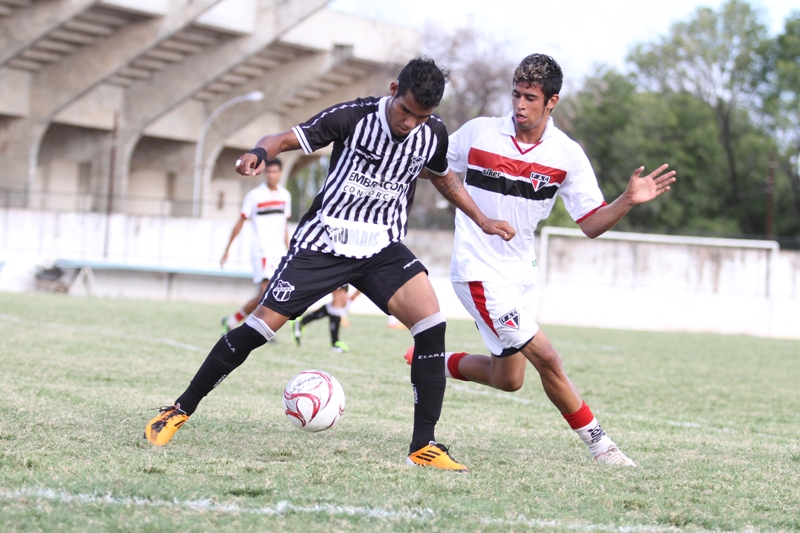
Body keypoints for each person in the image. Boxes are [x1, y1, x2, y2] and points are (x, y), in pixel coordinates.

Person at [144, 57, 516, 472]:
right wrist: (256, 152)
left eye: (421, 116)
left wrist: (482, 219)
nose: (410, 123)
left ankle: (423, 445)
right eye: (406, 111)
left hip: (381, 247)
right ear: (393, 89)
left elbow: (444, 177)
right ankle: (177, 410)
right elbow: (282, 139)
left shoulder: (433, 134)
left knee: (432, 326)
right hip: (324, 242)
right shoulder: (352, 117)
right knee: (257, 330)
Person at [406, 53, 677, 466]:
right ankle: (602, 448)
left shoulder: (565, 154)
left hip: (520, 275)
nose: (519, 106)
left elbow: (590, 223)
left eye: (530, 98)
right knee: (548, 358)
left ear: (552, 101)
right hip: (478, 271)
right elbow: (433, 167)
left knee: (509, 378)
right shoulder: (479, 133)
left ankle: (431, 363)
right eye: (515, 95)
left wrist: (626, 200)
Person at [220, 158, 291, 333]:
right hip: (261, 251)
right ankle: (258, 329)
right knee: (267, 292)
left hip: (277, 253)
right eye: (268, 172)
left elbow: (283, 227)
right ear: (264, 173)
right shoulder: (255, 195)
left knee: (267, 295)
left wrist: (290, 251)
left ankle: (232, 321)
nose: (271, 175)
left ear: (280, 173)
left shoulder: (285, 195)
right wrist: (227, 249)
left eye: (275, 172)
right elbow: (240, 221)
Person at [292, 285, 351, 352]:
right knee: (334, 310)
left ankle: (300, 323)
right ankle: (334, 343)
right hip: (335, 309)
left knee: (324, 312)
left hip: (334, 308)